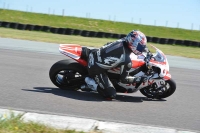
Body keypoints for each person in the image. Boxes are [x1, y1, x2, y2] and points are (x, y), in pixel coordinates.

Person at [84, 30, 148, 99]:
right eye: (140, 47)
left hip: (94, 52)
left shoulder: (123, 40)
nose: (141, 49)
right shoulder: (126, 60)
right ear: (133, 44)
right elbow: (123, 79)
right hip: (95, 68)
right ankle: (89, 82)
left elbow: (108, 43)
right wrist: (138, 79)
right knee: (111, 95)